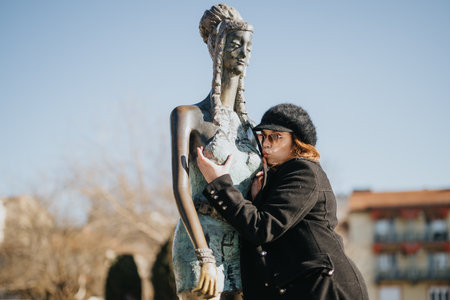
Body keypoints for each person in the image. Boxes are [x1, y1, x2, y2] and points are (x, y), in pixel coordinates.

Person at [196, 103, 369, 300]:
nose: (266, 143)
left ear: (297, 142)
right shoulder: (277, 177)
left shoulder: (304, 171)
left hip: (325, 288)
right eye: (263, 136)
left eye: (276, 136)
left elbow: (262, 228)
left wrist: (220, 184)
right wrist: (257, 199)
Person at [170, 4, 261, 299]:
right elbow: (181, 188)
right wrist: (204, 256)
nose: (243, 53)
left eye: (248, 45)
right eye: (235, 44)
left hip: (239, 245)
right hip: (201, 239)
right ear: (219, 48)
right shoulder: (190, 116)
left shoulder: (250, 128)